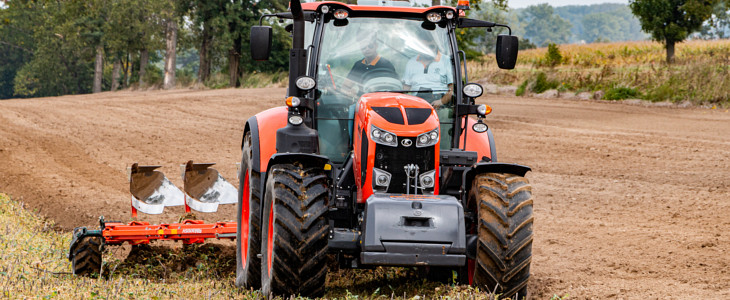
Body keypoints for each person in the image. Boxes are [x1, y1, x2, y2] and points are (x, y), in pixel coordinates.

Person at [402, 31, 454, 108]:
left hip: (440, 102)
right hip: (416, 102)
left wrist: (442, 101)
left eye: (431, 47)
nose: (429, 51)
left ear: (437, 45)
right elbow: (405, 89)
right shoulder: (411, 62)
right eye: (425, 47)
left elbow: (452, 88)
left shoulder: (446, 61)